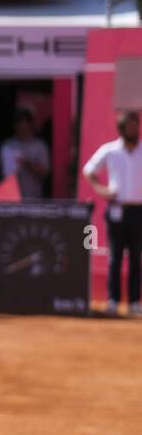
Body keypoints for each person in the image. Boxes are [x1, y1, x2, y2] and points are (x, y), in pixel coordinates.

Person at [82, 111, 142, 315]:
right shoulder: (110, 150)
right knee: (115, 258)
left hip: (138, 211)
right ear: (122, 129)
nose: (134, 130)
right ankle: (113, 300)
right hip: (117, 209)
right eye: (130, 126)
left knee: (136, 257)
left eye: (136, 126)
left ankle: (134, 301)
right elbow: (89, 170)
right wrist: (101, 189)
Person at [0, 107, 50, 199]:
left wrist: (26, 163)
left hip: (33, 197)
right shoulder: (8, 145)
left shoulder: (39, 146)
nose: (23, 130)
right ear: (15, 126)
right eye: (20, 126)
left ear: (31, 126)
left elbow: (45, 172)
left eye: (25, 127)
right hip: (11, 198)